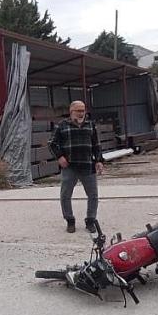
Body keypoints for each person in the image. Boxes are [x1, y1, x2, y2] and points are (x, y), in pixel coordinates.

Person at [48, 100, 104, 233]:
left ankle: (90, 221)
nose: (81, 113)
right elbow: (52, 143)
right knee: (65, 195)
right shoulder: (62, 125)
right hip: (70, 167)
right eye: (78, 110)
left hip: (87, 165)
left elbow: (97, 145)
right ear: (71, 111)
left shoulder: (91, 125)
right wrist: (59, 156)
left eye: (83, 110)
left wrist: (99, 160)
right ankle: (70, 220)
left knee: (93, 195)